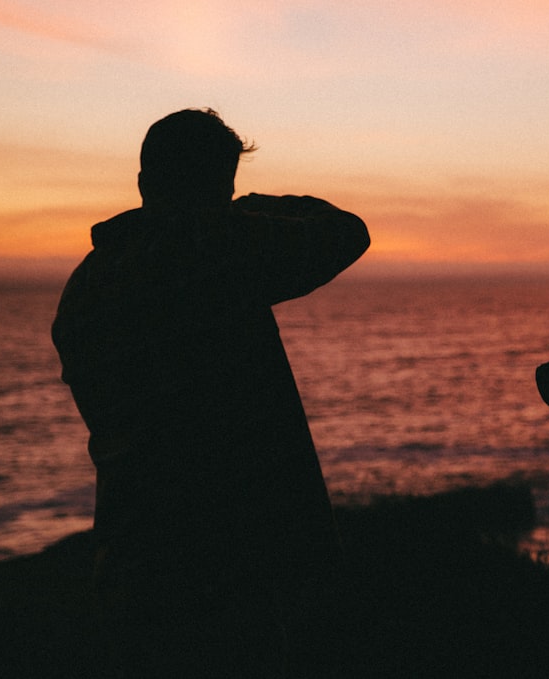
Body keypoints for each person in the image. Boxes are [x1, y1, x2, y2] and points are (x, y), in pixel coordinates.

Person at [52, 108, 370, 676]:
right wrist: (248, 207)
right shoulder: (218, 246)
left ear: (145, 182)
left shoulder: (85, 286)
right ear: (220, 186)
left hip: (130, 556)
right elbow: (346, 232)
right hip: (236, 563)